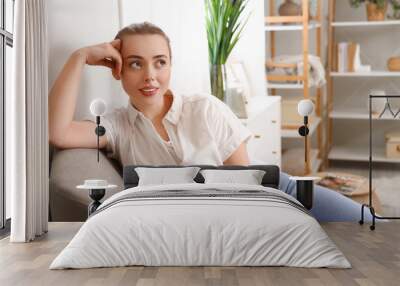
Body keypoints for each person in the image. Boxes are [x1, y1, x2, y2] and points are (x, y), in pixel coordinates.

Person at [49, 22, 372, 222]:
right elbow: (59, 133)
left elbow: (247, 186)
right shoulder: (119, 126)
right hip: (223, 215)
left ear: (170, 66)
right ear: (117, 69)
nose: (150, 75)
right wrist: (79, 57)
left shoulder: (203, 107)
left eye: (160, 62)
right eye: (136, 63)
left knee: (372, 227)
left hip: (273, 192)